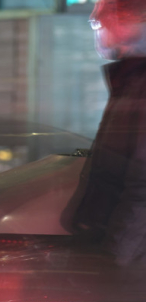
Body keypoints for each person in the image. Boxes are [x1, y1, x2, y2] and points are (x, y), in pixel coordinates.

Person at [72, 0, 146, 270]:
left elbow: (142, 189)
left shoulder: (140, 85)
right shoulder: (130, 81)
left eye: (97, 20)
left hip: (130, 272)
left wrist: (111, 264)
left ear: (125, 21)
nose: (94, 18)